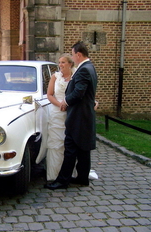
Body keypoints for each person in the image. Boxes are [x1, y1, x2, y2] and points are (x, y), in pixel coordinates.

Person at [45, 41, 98, 190]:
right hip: (83, 115)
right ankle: (82, 178)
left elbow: (79, 92)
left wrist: (65, 102)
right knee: (82, 149)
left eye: (73, 55)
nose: (73, 58)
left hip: (78, 117)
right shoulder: (90, 67)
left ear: (78, 55)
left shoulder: (83, 70)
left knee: (70, 149)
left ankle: (62, 181)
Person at [45, 53, 75, 181]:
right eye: (59, 62)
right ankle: (54, 173)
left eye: (63, 62)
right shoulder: (55, 77)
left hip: (71, 112)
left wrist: (68, 105)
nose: (60, 65)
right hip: (57, 112)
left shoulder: (75, 77)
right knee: (56, 142)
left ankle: (69, 172)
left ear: (70, 64)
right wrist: (60, 105)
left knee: (69, 143)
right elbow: (50, 94)